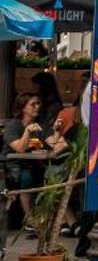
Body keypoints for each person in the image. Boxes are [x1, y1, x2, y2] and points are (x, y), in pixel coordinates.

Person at [4, 95, 57, 229]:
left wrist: (57, 132)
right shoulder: (13, 126)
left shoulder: (41, 124)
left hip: (34, 163)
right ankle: (29, 219)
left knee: (53, 176)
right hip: (13, 164)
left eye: (38, 103)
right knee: (26, 177)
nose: (37, 107)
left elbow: (58, 145)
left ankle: (50, 219)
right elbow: (20, 149)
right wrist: (27, 132)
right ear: (23, 108)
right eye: (33, 104)